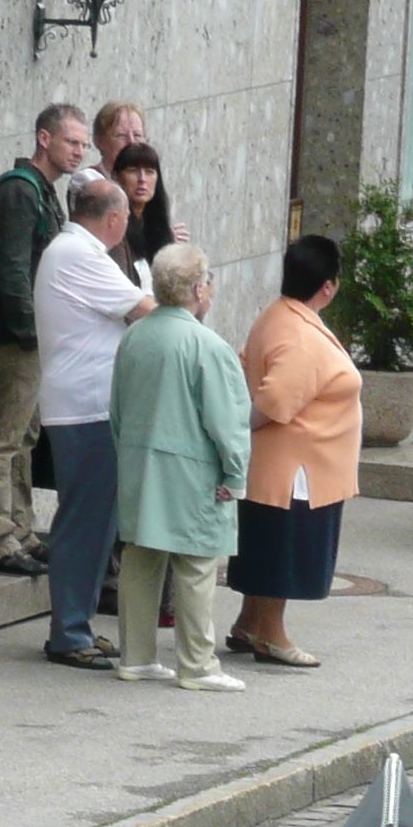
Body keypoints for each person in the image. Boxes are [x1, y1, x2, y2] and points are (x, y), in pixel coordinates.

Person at [108, 244, 251, 692]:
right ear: (196, 289)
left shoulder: (135, 335)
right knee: (195, 563)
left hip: (139, 459)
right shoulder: (207, 345)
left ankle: (136, 656)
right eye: (208, 281)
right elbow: (227, 422)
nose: (209, 289)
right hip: (192, 469)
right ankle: (197, 664)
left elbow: (116, 408)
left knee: (140, 558)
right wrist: (235, 474)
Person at [34, 175, 158, 670]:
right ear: (112, 218)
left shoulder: (75, 251)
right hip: (86, 408)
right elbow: (144, 310)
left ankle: (77, 623)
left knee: (96, 522)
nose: (128, 224)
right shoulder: (79, 254)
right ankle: (68, 633)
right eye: (126, 215)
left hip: (89, 405)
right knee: (85, 524)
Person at [229, 235, 362, 672]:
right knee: (284, 549)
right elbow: (274, 402)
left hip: (288, 461)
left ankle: (251, 621)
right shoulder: (299, 334)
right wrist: (240, 429)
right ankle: (270, 631)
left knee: (270, 544)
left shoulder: (280, 315)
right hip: (296, 467)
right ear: (328, 286)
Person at [0, 102, 88, 577]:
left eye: (83, 144)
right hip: (21, 338)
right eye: (71, 142)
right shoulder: (20, 193)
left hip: (38, 337)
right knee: (2, 437)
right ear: (44, 139)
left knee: (25, 435)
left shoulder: (43, 191)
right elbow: (13, 271)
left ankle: (18, 530)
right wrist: (31, 334)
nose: (79, 152)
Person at [108, 141, 180, 280]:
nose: (142, 179)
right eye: (133, 170)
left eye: (149, 172)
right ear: (116, 176)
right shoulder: (113, 228)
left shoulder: (157, 226)